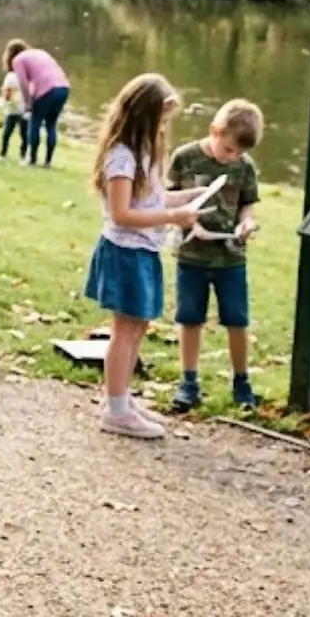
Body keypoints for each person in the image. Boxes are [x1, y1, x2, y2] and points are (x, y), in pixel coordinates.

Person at [83, 73, 205, 440]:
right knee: (124, 330)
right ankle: (116, 410)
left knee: (138, 327)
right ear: (144, 114)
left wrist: (184, 198)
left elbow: (149, 200)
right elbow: (123, 214)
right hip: (125, 251)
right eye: (162, 118)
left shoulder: (144, 153)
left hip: (144, 249)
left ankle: (120, 398)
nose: (164, 126)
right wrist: (173, 217)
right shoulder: (121, 157)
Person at [168, 100, 265, 413]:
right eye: (228, 150)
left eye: (238, 153)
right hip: (191, 254)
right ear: (214, 131)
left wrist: (246, 222)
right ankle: (189, 382)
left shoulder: (244, 166)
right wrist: (184, 220)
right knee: (190, 318)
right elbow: (166, 199)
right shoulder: (185, 158)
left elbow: (247, 204)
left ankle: (241, 381)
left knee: (237, 320)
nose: (232, 157)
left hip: (231, 258)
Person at [6, 39, 71, 167]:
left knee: (35, 123)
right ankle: (48, 161)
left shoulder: (18, 60)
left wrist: (28, 104)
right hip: (63, 87)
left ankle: (32, 159)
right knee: (51, 124)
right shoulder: (40, 52)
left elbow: (23, 83)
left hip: (46, 89)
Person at [0, 65, 29, 159]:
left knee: (14, 133)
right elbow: (6, 91)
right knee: (15, 133)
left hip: (17, 109)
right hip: (16, 109)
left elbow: (6, 91)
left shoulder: (12, 76)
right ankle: (18, 154)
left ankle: (7, 153)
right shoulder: (16, 76)